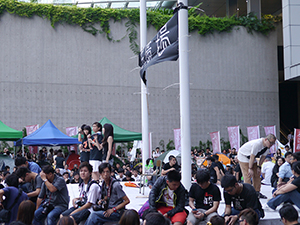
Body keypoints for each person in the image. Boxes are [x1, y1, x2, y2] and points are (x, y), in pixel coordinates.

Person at [237, 133, 276, 198]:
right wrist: (250, 168)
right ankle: (248, 193)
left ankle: (257, 191)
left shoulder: (267, 147)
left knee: (257, 174)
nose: (271, 145)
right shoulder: (257, 144)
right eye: (271, 143)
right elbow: (252, 156)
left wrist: (259, 167)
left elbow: (263, 157)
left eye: (273, 143)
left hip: (252, 158)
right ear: (266, 139)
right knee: (248, 175)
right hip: (244, 156)